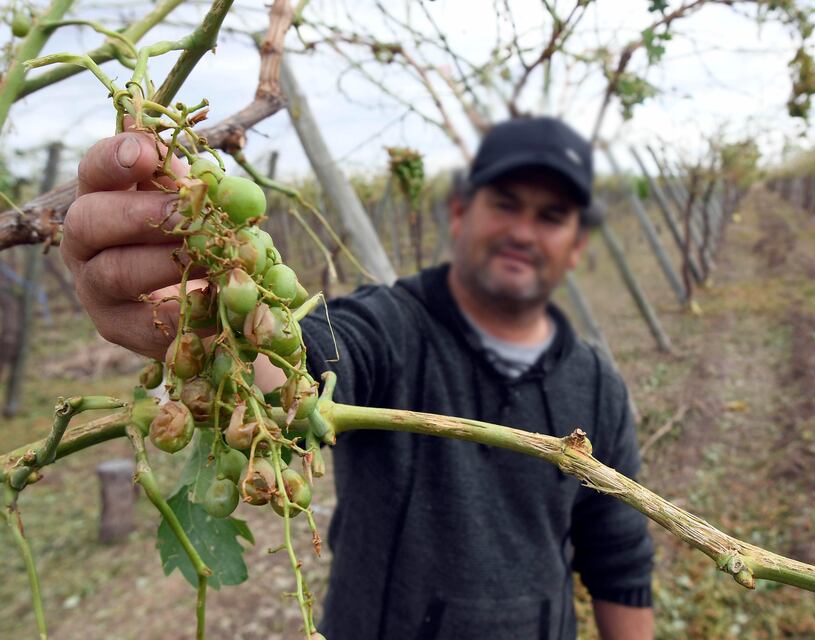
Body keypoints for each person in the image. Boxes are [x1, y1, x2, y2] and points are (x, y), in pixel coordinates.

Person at [63, 116, 655, 639]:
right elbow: (292, 372)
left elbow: (619, 560)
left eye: (552, 216)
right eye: (504, 203)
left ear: (577, 245)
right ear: (459, 212)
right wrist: (211, 320)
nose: (524, 231)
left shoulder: (597, 382)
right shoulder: (390, 324)